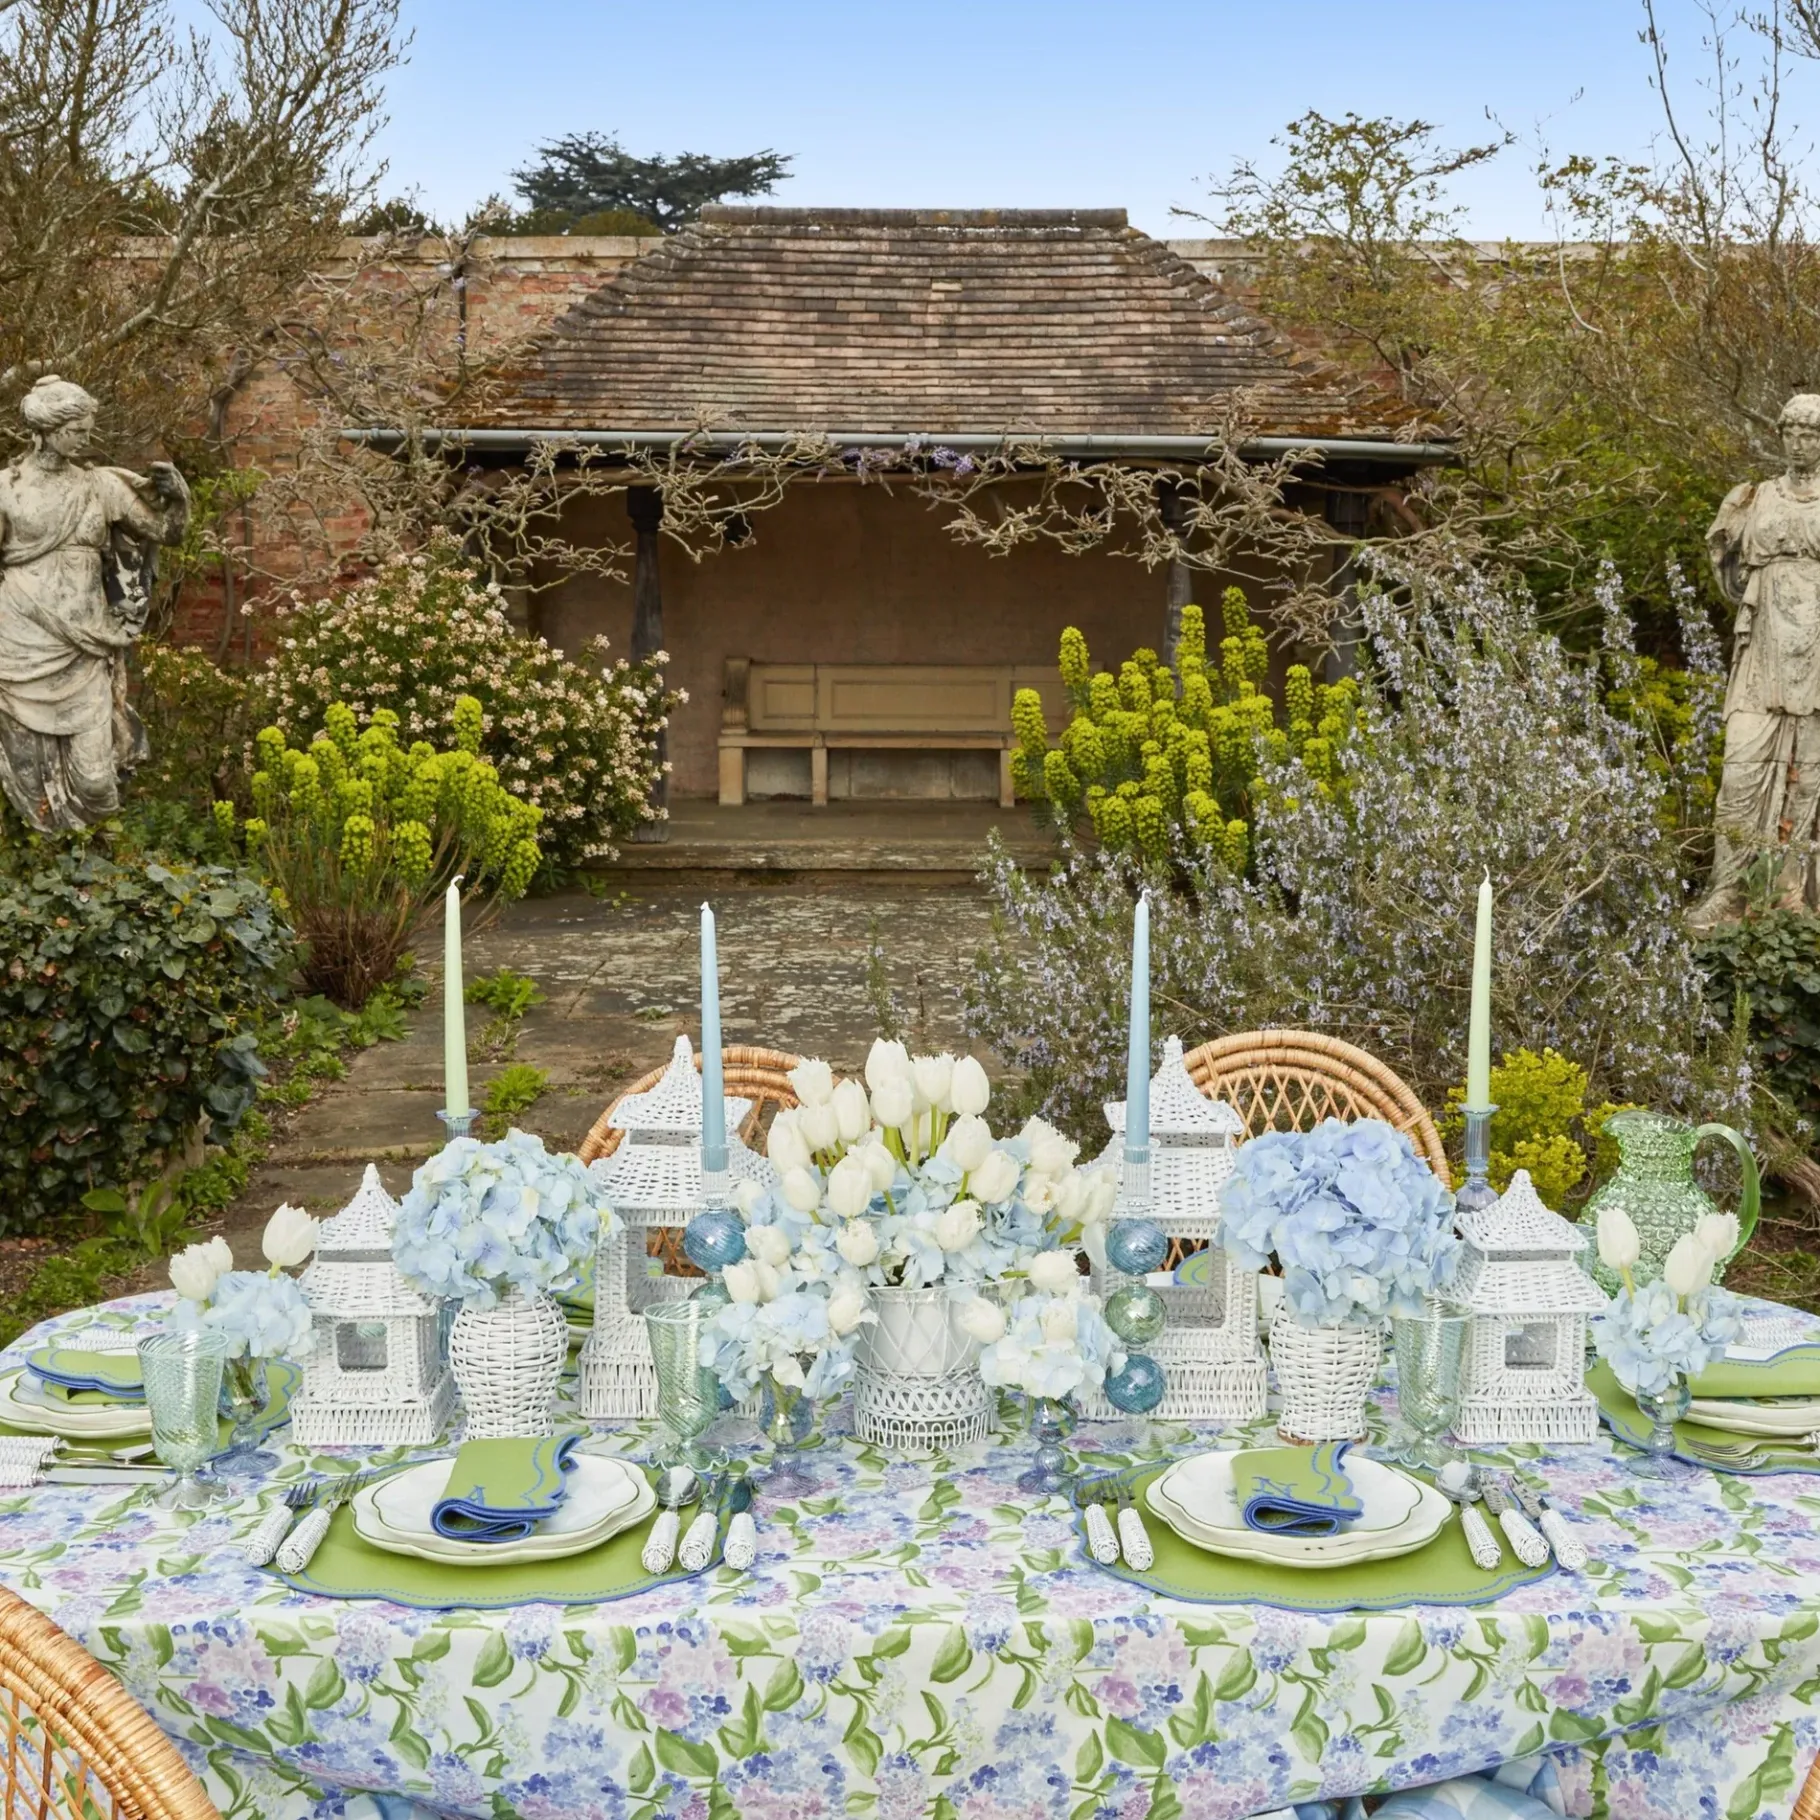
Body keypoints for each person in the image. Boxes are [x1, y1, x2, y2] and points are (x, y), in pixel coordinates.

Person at [0, 375, 190, 832]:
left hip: (84, 641)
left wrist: (179, 498)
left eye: (89, 429)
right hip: (19, 638)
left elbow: (166, 532)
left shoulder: (101, 486)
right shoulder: (7, 488)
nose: (86, 439)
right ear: (47, 429)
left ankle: (95, 858)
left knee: (96, 781)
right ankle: (39, 863)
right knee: (26, 776)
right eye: (77, 430)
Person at [1689, 391, 1820, 930]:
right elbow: (1729, 571)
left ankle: (1791, 895)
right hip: (1763, 648)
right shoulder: (1754, 497)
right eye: (1792, 432)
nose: (1800, 442)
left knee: (1807, 781)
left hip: (1816, 650)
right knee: (1741, 773)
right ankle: (1728, 891)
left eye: (1810, 434)